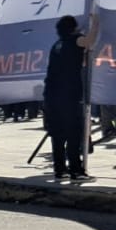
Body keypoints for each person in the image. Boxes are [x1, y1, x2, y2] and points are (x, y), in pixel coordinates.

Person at [44, 14, 98, 180]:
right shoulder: (75, 39)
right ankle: (76, 169)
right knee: (74, 132)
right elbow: (89, 42)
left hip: (52, 94)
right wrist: (96, 23)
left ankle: (60, 169)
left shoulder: (57, 45)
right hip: (69, 94)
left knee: (58, 134)